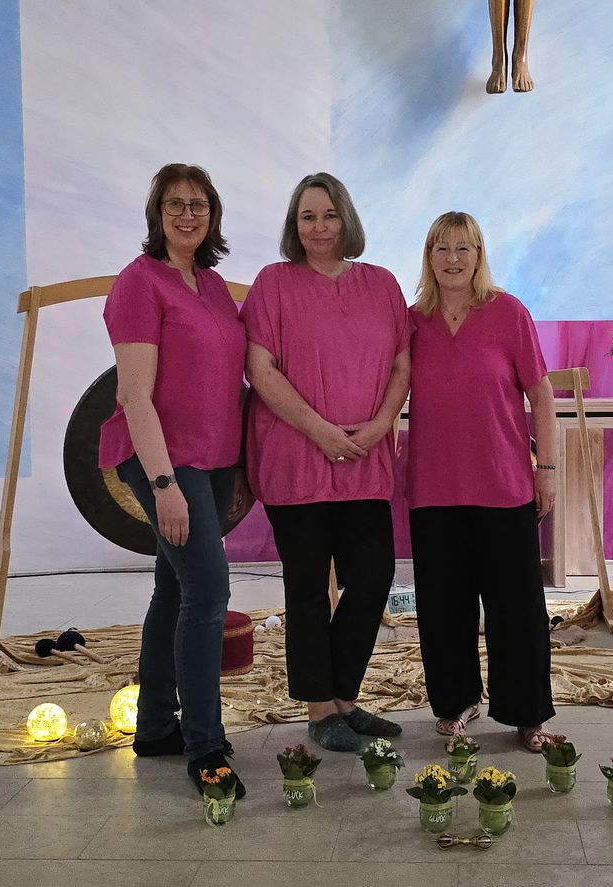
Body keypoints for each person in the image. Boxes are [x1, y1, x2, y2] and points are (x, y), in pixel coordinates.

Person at [243, 172, 411, 752]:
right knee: (310, 587)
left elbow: (402, 364)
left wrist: (382, 423)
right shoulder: (273, 283)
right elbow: (260, 369)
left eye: (329, 215)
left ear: (347, 220)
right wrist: (318, 430)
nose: (319, 227)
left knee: (373, 577)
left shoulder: (382, 284)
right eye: (307, 217)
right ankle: (321, 709)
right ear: (295, 226)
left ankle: (344, 698)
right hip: (296, 457)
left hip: (364, 457)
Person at [101, 163, 248, 794]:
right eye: (174, 204)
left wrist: (237, 468)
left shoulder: (210, 285)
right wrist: (164, 486)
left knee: (173, 588)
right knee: (208, 592)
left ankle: (156, 724)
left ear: (212, 215)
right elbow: (135, 396)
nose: (187, 215)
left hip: (213, 459)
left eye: (198, 205)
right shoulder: (139, 283)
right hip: (164, 459)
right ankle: (204, 747)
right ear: (156, 213)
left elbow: (225, 383)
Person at [404, 210, 563, 751]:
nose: (452, 259)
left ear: (478, 255)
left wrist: (547, 470)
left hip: (503, 484)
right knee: (443, 607)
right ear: (429, 256)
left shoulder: (508, 312)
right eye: (442, 248)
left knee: (517, 609)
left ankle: (528, 713)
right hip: (433, 488)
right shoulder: (411, 322)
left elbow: (541, 395)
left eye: (463, 248)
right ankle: (455, 703)